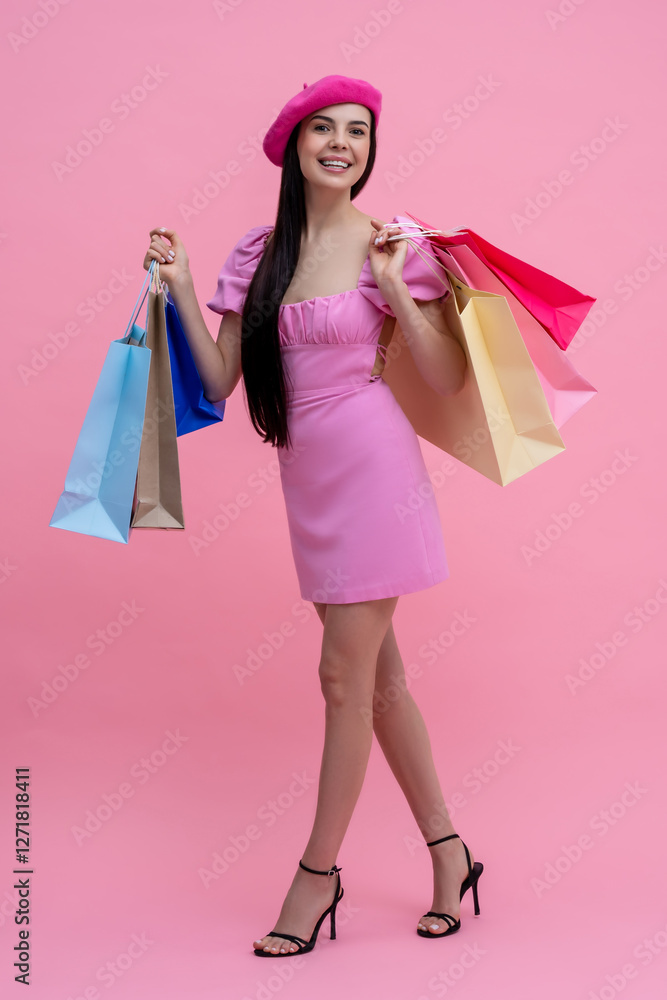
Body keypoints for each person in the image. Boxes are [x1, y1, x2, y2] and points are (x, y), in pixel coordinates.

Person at [142, 74, 483, 956]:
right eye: (324, 129)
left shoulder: (394, 243)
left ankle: (316, 875)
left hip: (375, 471)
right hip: (308, 481)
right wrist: (179, 285)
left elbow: (446, 378)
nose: (342, 143)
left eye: (359, 131)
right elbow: (220, 386)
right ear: (293, 145)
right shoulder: (258, 257)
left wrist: (400, 292)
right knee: (381, 685)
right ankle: (451, 855)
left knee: (341, 680)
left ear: (371, 149)